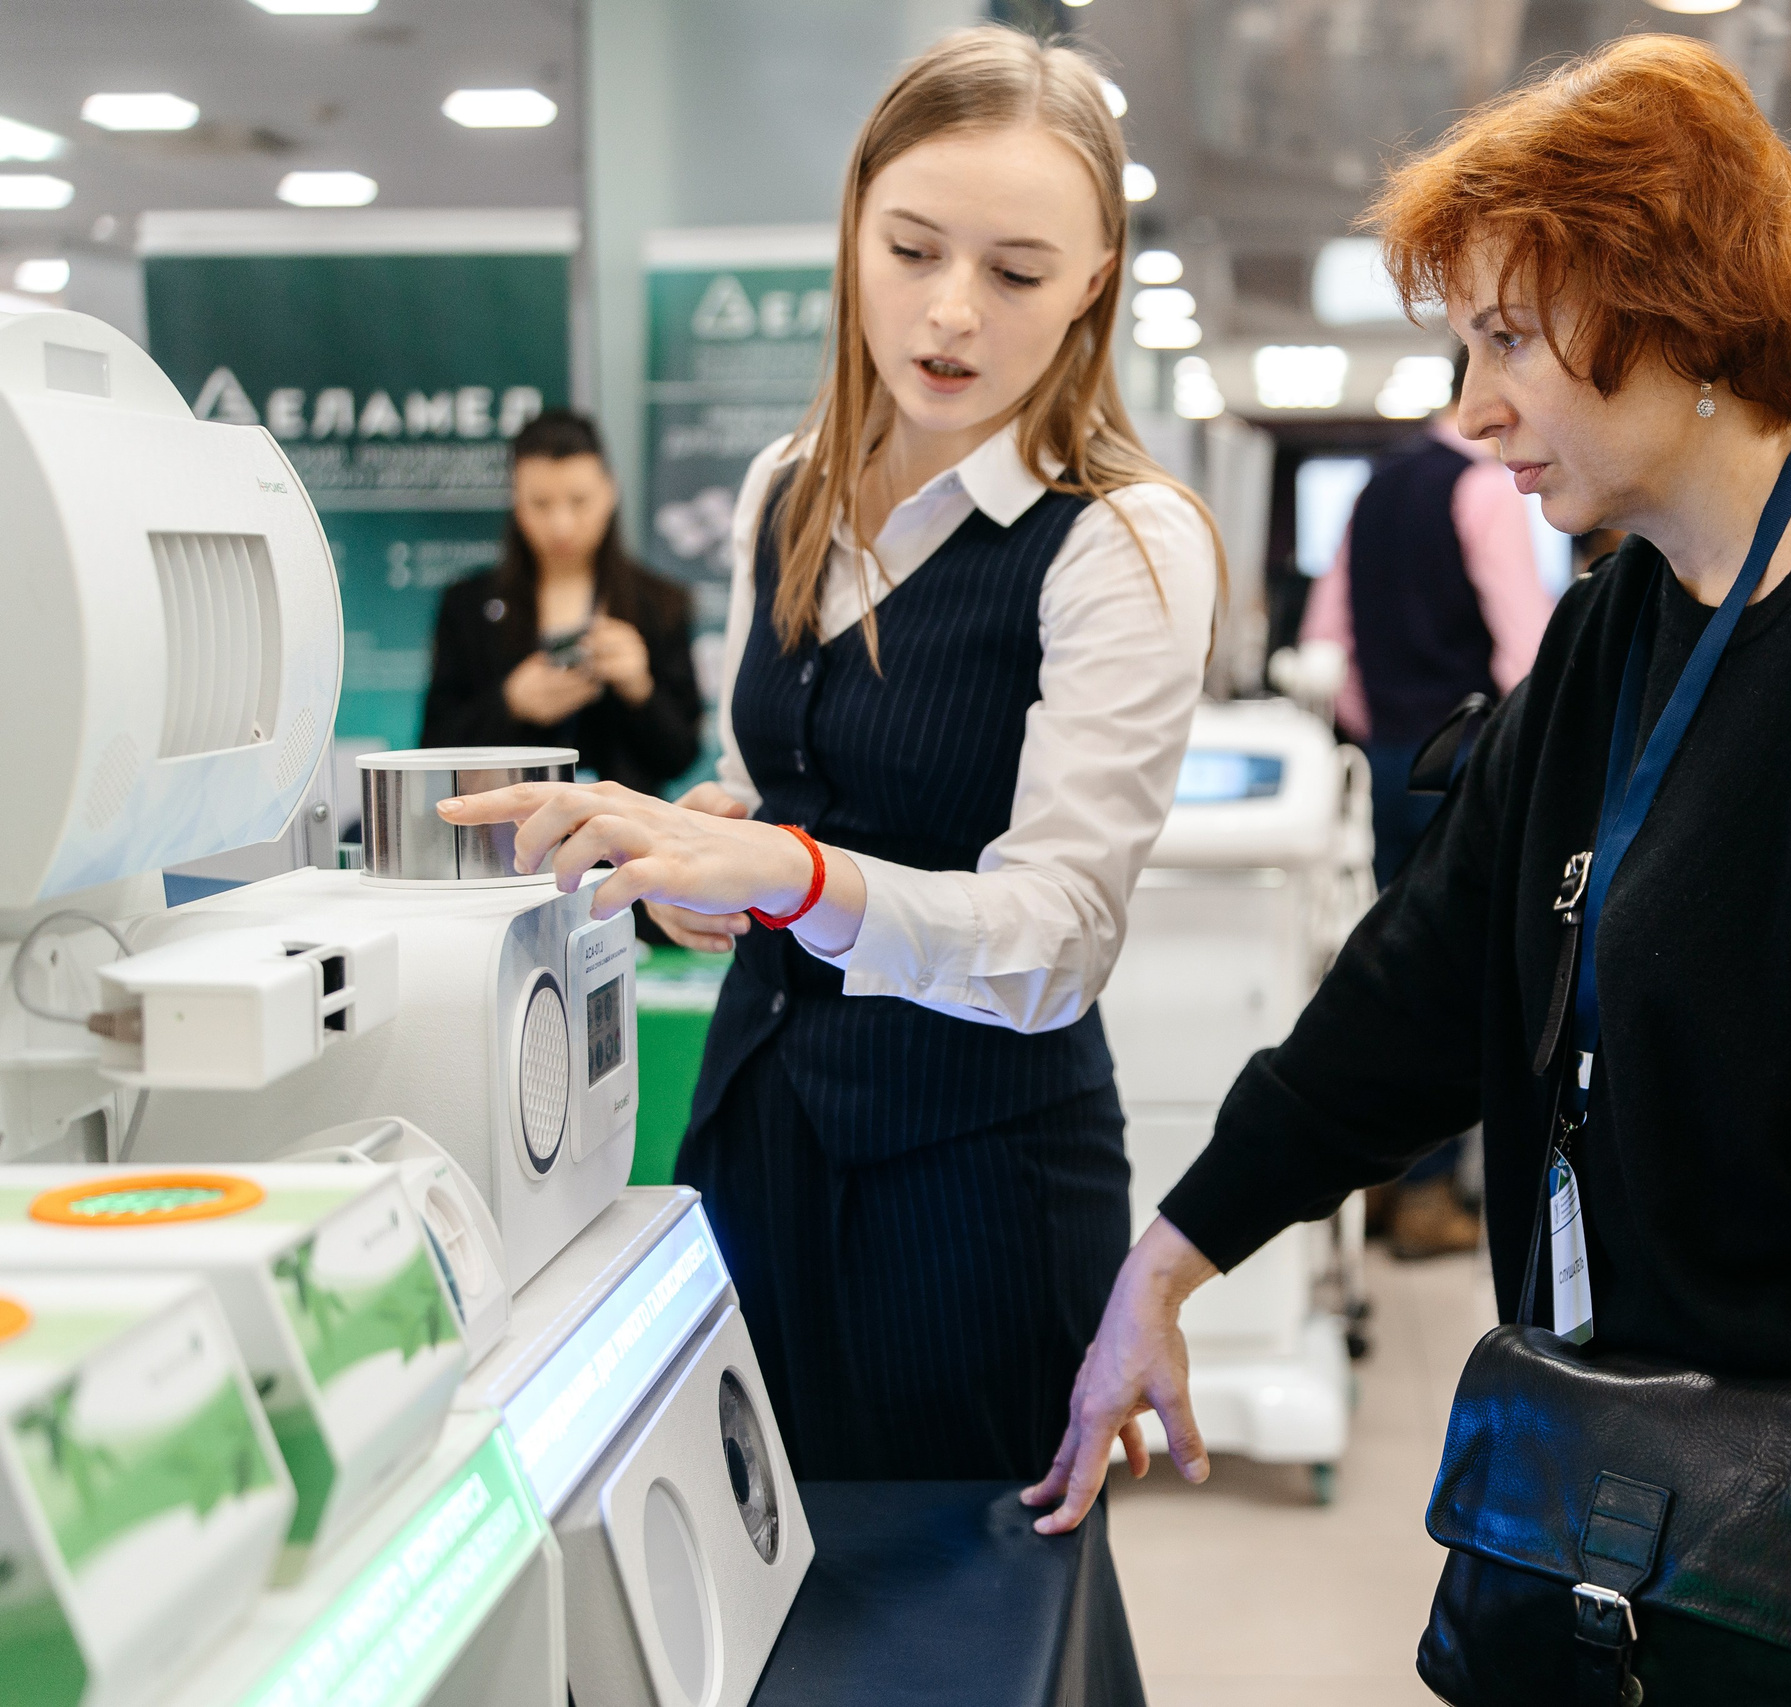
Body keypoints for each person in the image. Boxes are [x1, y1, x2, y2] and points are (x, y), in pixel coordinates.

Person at [1033, 36, 1791, 1706]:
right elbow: (1436, 972)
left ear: (1677, 304)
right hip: (1641, 1539)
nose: (1472, 406)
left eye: (1509, 337)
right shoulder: (1630, 612)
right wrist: (1180, 1247)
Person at [438, 27, 1220, 1483]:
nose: (950, 312)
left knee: (952, 1623)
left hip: (974, 1180)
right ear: (854, 223)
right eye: (911, 247)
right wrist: (698, 858)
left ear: (1095, 281)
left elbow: (1056, 938)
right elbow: (773, 783)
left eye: (1016, 271)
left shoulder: (1119, 538)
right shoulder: (783, 490)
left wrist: (791, 873)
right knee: (746, 1573)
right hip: (754, 1129)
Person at [1299, 367, 1556, 1259]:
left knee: (1389, 961)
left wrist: (1380, 741)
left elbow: (1325, 638)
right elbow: (1528, 648)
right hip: (1467, 755)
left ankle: (1370, 1183)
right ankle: (1430, 1194)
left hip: (1383, 758)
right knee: (1461, 970)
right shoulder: (1485, 488)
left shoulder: (1375, 485)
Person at [422, 409, 702, 796]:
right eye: (540, 503)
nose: (561, 525)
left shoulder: (660, 603)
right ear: (516, 502)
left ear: (610, 492)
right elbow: (432, 748)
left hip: (621, 843)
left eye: (579, 501)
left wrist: (640, 690)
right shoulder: (468, 605)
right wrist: (510, 704)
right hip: (503, 835)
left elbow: (681, 756)